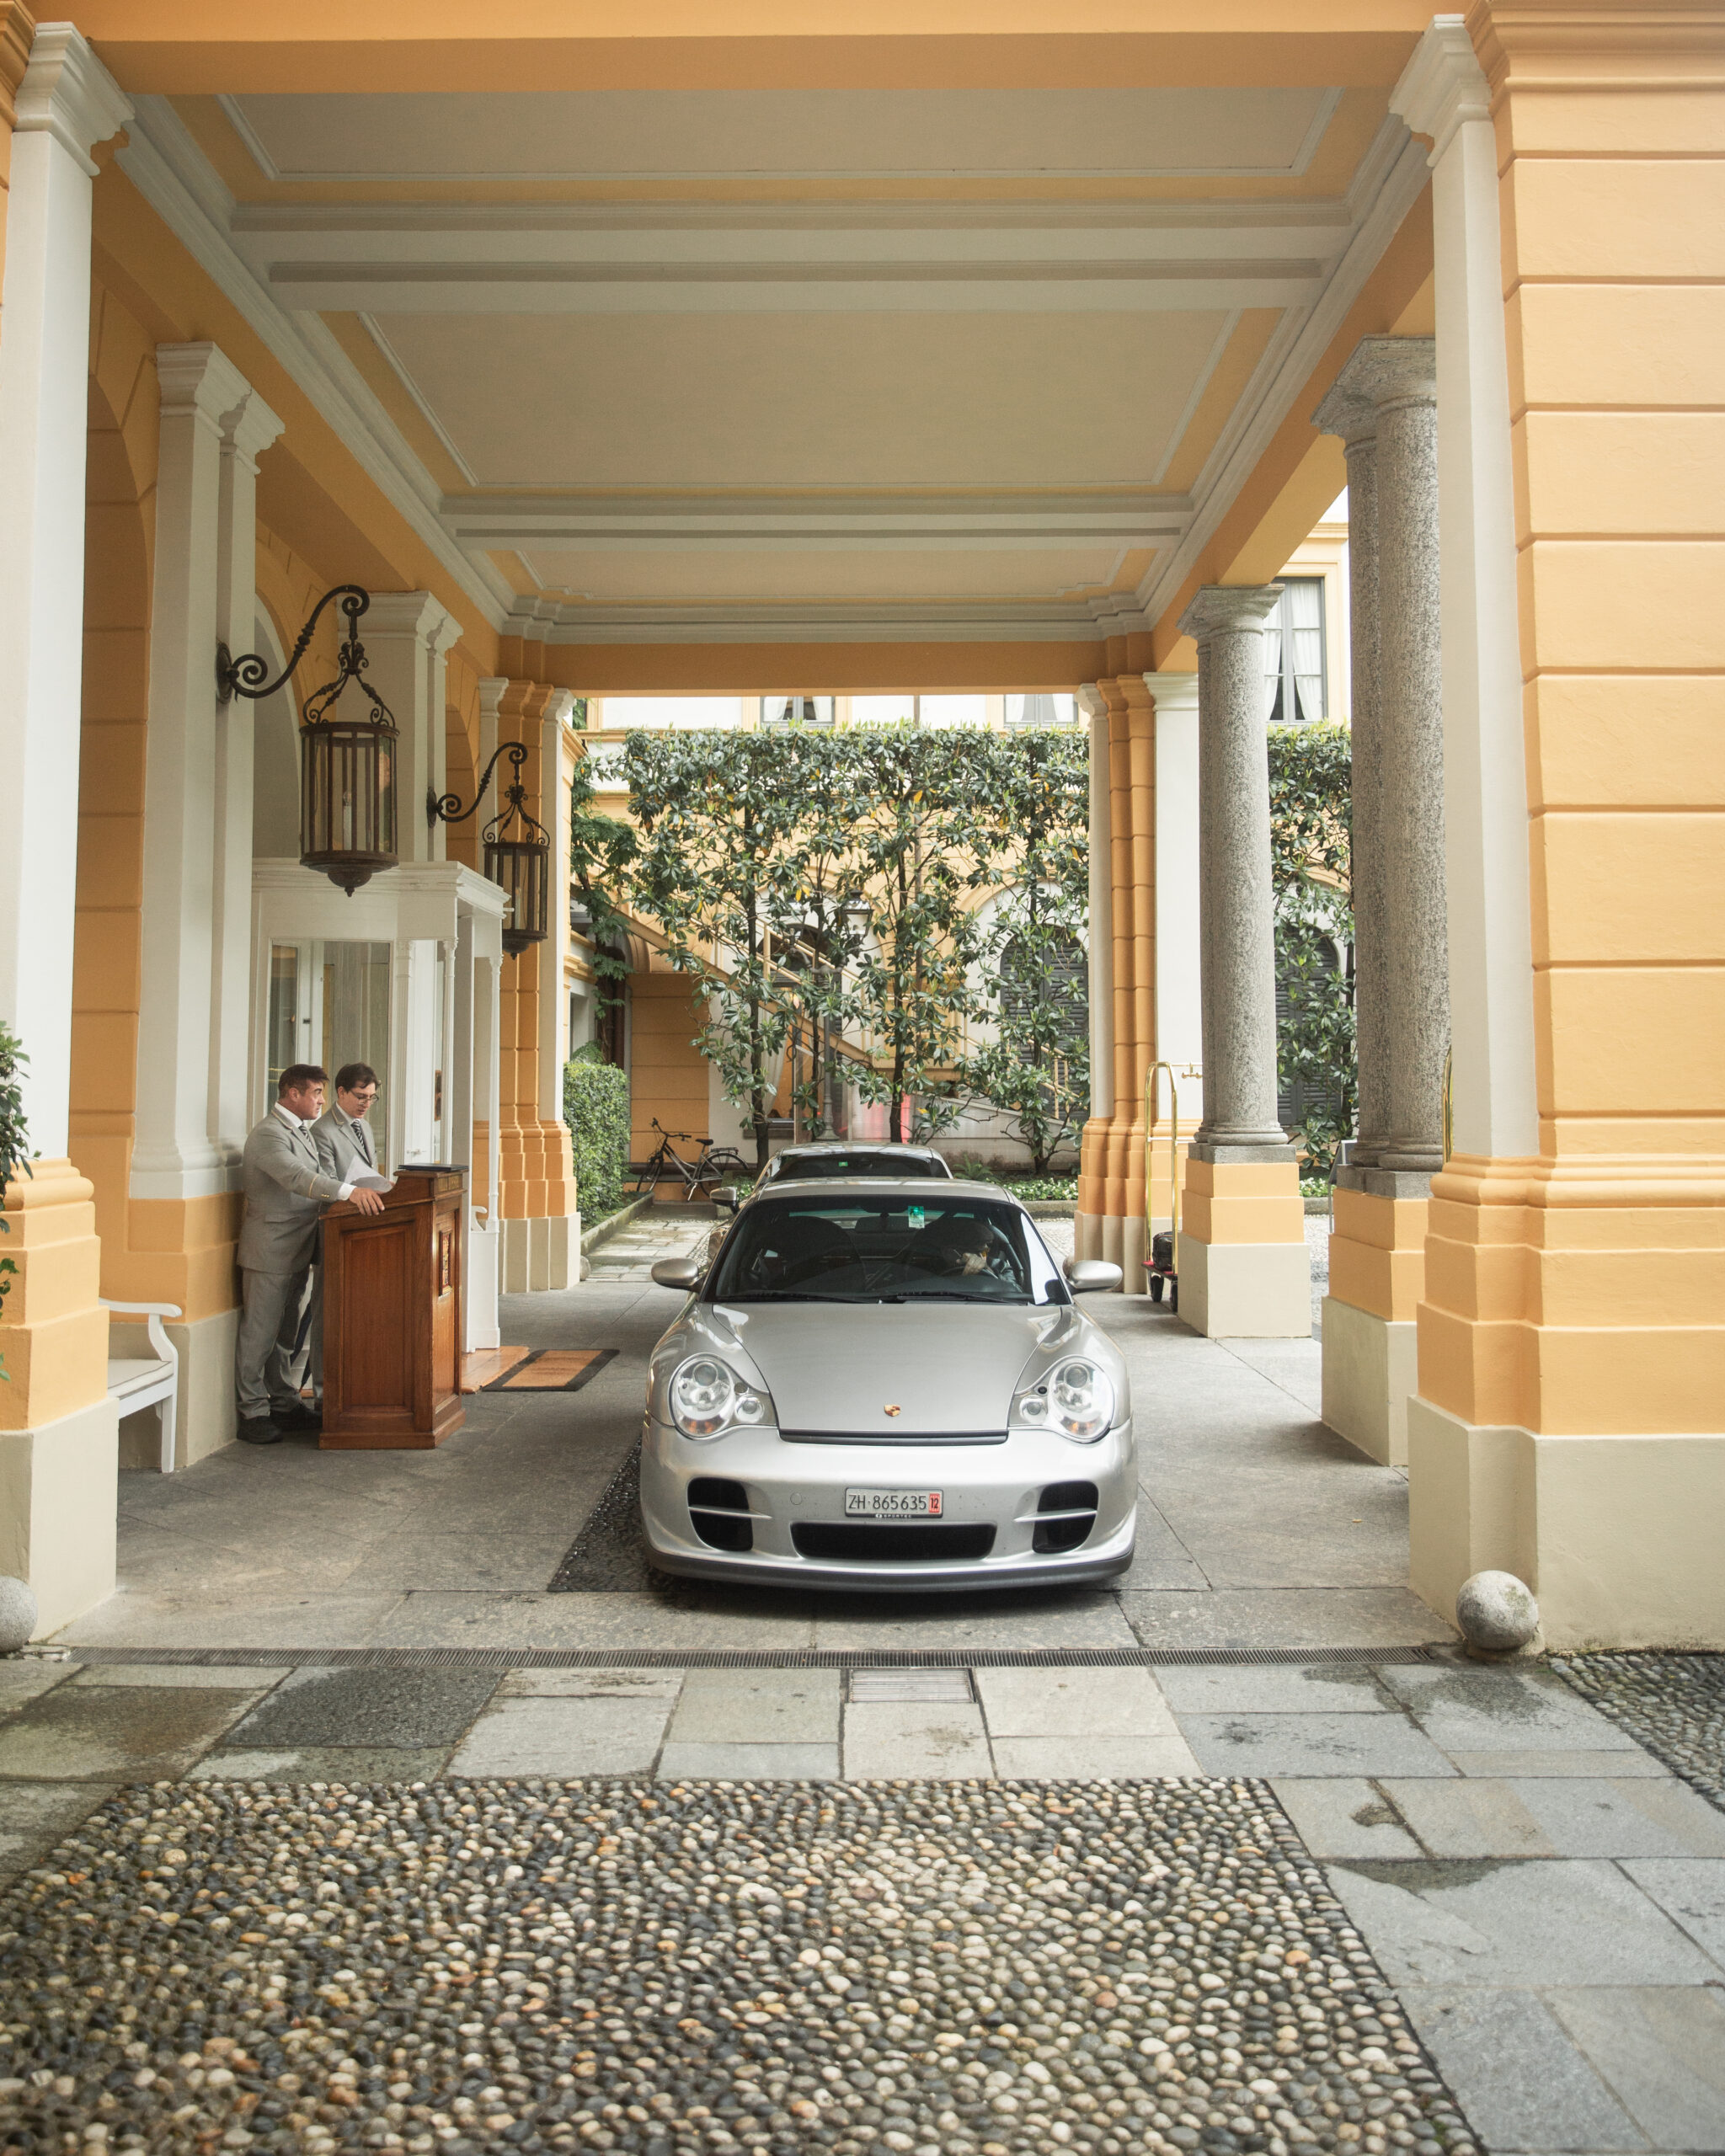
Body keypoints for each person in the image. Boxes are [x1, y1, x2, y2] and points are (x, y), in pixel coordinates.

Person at [235, 1064, 384, 1446]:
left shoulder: (298, 1130)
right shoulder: (269, 1134)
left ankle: (283, 1404)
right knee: (260, 1335)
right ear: (292, 1093)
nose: (320, 1100)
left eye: (321, 1093)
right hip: (270, 1250)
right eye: (316, 1093)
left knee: (285, 1335)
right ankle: (252, 1412)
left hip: (298, 1246)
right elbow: (297, 1178)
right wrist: (349, 1192)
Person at [312, 1061, 382, 1185]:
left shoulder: (365, 1126)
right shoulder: (322, 1131)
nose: (367, 1104)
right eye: (361, 1097)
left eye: (371, 1097)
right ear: (342, 1092)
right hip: (344, 1203)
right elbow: (328, 1184)